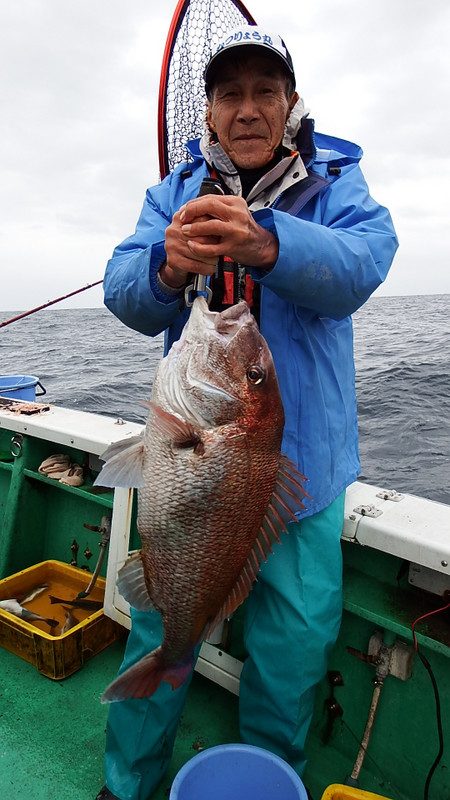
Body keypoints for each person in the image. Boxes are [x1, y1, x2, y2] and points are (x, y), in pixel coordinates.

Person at [96, 25, 398, 800]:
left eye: (267, 91)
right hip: (200, 459)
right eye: (230, 93)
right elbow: (124, 290)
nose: (249, 108)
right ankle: (127, 784)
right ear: (209, 112)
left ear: (291, 103)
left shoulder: (335, 185)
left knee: (295, 640)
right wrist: (166, 266)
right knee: (163, 616)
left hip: (307, 468)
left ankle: (269, 777)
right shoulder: (174, 195)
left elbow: (364, 264)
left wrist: (270, 243)